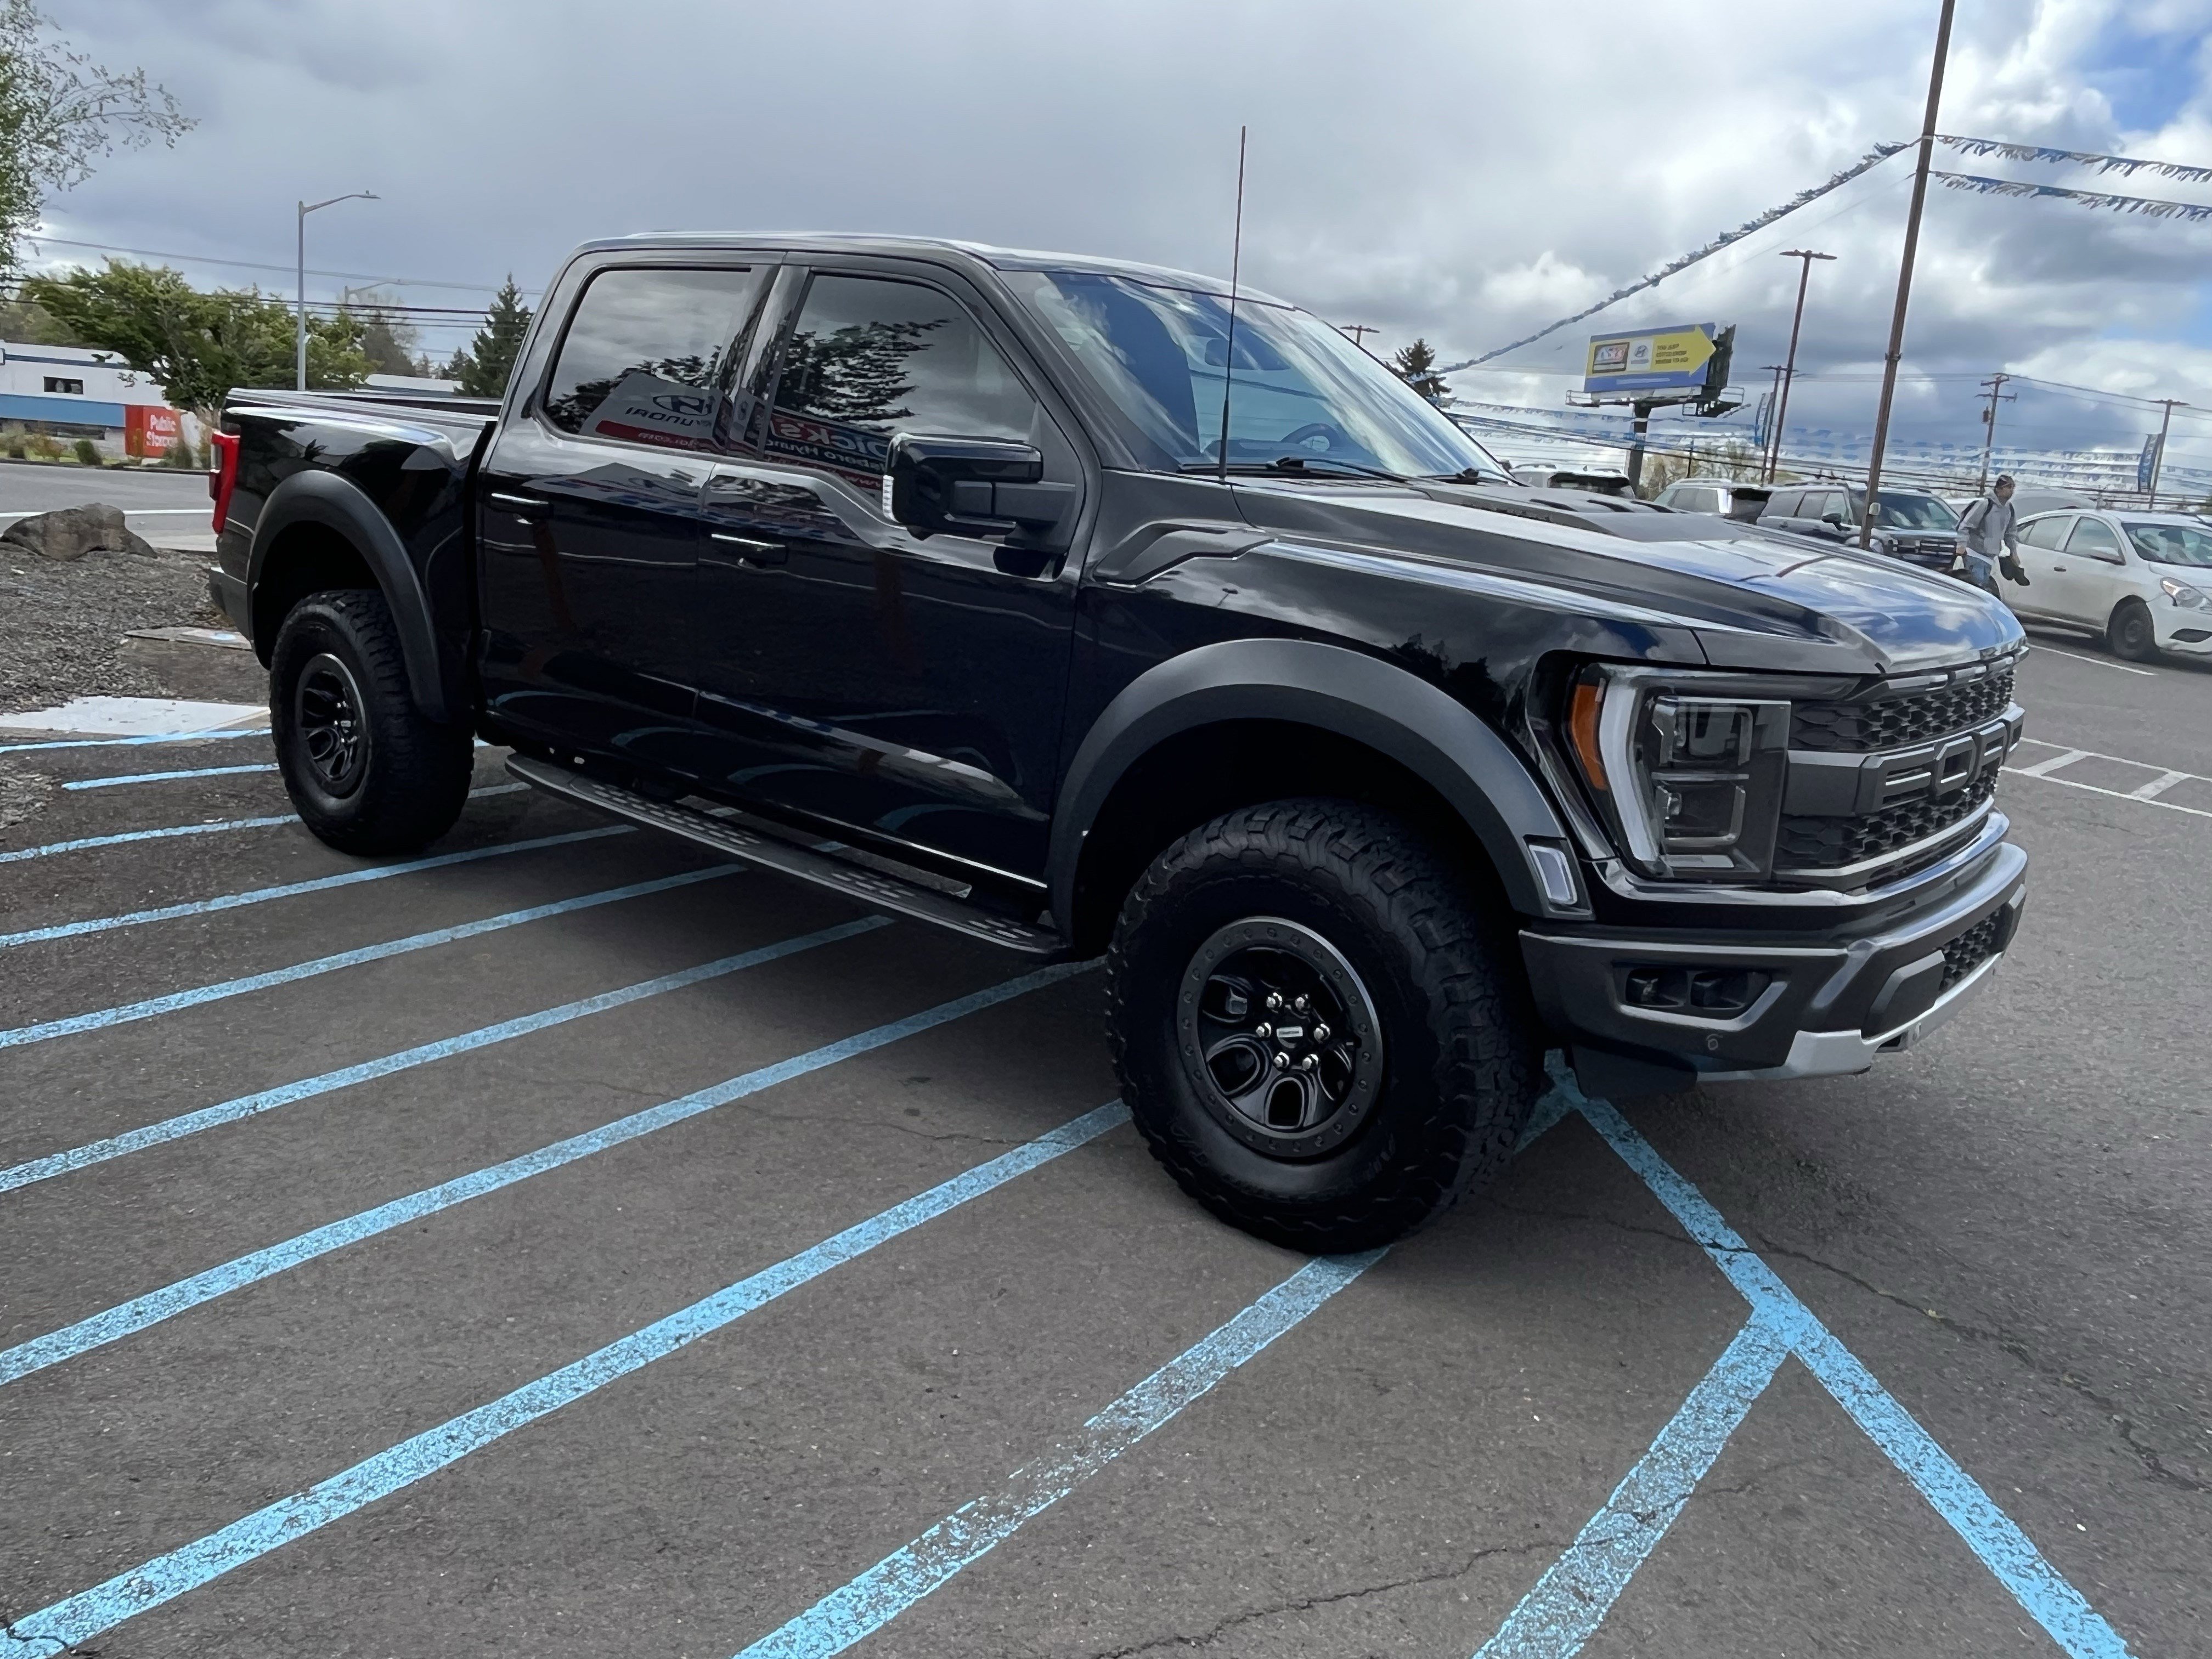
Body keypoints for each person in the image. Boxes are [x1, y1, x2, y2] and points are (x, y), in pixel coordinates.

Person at [1954, 475, 2030, 593]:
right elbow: (1965, 525)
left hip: (1990, 557)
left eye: (2013, 487)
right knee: (1977, 590)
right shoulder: (1985, 504)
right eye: (2008, 487)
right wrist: (1961, 545)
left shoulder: (2009, 509)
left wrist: (2013, 552)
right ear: (1998, 489)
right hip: (1975, 554)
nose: (2011, 490)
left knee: (1982, 588)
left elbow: (2010, 534)